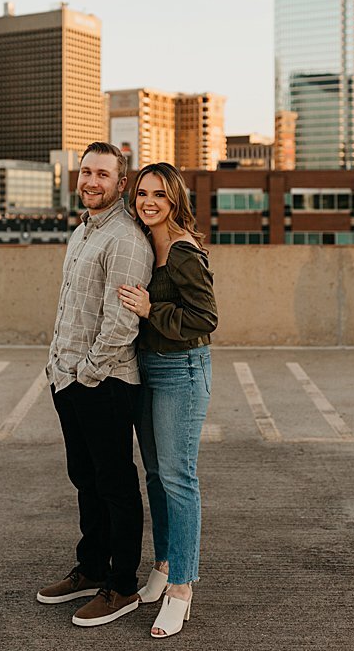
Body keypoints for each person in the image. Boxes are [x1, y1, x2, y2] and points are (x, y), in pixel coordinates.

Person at [35, 141, 153, 627]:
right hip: (67, 379)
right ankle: (90, 568)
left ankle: (122, 585)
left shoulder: (125, 238)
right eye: (86, 172)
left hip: (102, 381)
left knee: (115, 484)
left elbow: (122, 322)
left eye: (103, 174)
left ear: (120, 183)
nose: (92, 182)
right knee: (85, 478)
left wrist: (86, 373)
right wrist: (58, 369)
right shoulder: (81, 232)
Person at [116, 163, 217, 639]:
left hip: (182, 369)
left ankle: (182, 586)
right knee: (156, 474)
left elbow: (206, 316)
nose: (148, 201)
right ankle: (163, 563)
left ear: (174, 198)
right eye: (141, 193)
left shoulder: (181, 250)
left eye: (158, 193)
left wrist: (152, 309)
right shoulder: (144, 240)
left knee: (179, 478)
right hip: (149, 366)